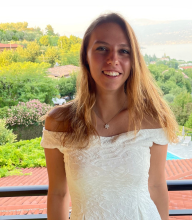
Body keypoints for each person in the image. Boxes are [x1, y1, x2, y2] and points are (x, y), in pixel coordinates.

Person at [41, 12, 178, 220]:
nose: (113, 59)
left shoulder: (153, 119)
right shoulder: (60, 122)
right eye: (102, 48)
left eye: (124, 51)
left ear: (133, 61)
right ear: (85, 56)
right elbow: (58, 194)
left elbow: (157, 185)